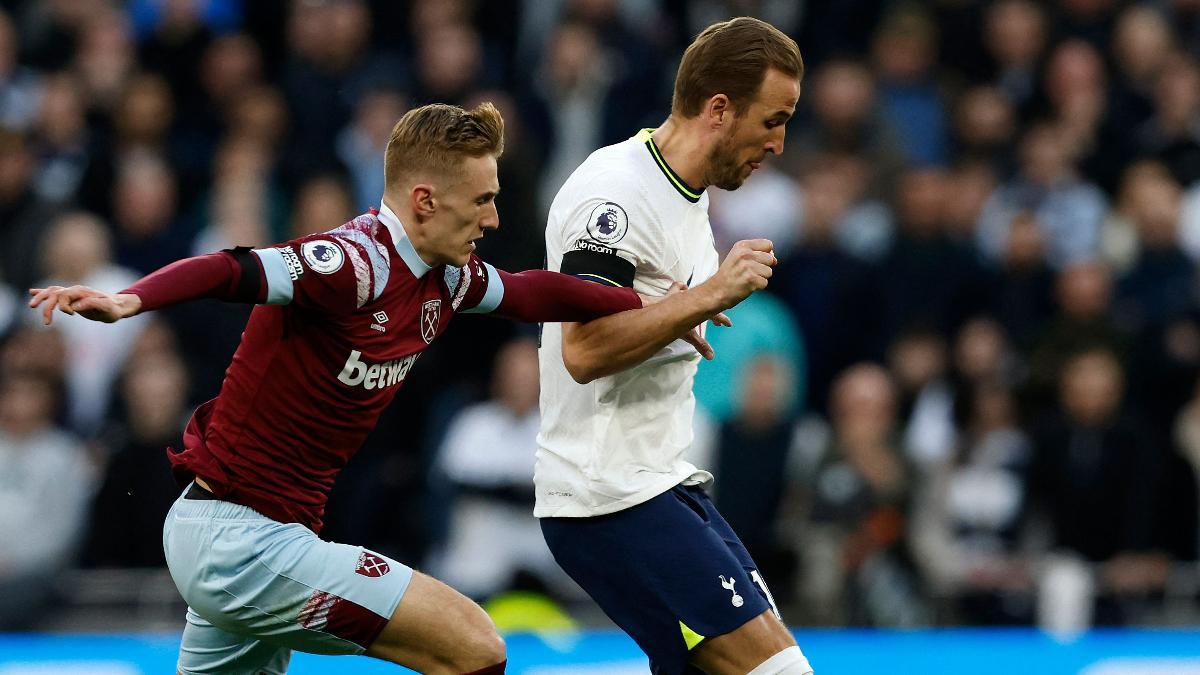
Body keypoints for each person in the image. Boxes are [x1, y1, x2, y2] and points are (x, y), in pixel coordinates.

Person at [29, 102, 669, 675]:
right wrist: (128, 300)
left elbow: (532, 291)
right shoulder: (352, 263)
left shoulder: (444, 280)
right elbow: (231, 268)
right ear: (425, 200)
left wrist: (648, 305)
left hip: (259, 541)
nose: (494, 218)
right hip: (239, 540)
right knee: (475, 645)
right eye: (481, 200)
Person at [537, 17, 813, 675]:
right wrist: (704, 295)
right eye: (771, 121)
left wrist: (672, 309)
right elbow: (583, 348)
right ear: (720, 109)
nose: (778, 143)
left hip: (660, 482)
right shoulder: (617, 194)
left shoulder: (685, 198)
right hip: (608, 496)